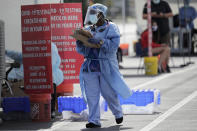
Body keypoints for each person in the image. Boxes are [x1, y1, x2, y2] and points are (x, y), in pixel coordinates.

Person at [72, 3, 132, 128]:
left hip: (106, 65)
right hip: (90, 66)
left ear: (101, 15)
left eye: (95, 14)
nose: (93, 17)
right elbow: (82, 51)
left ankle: (117, 112)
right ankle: (94, 120)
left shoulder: (112, 28)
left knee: (108, 92)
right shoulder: (88, 29)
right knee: (91, 95)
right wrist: (80, 42)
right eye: (91, 14)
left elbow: (113, 46)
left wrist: (100, 41)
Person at [5, 43, 63, 118]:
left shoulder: (46, 46)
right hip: (50, 78)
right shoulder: (48, 45)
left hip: (48, 77)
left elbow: (25, 61)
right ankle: (48, 112)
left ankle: (47, 112)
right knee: (47, 95)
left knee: (46, 95)